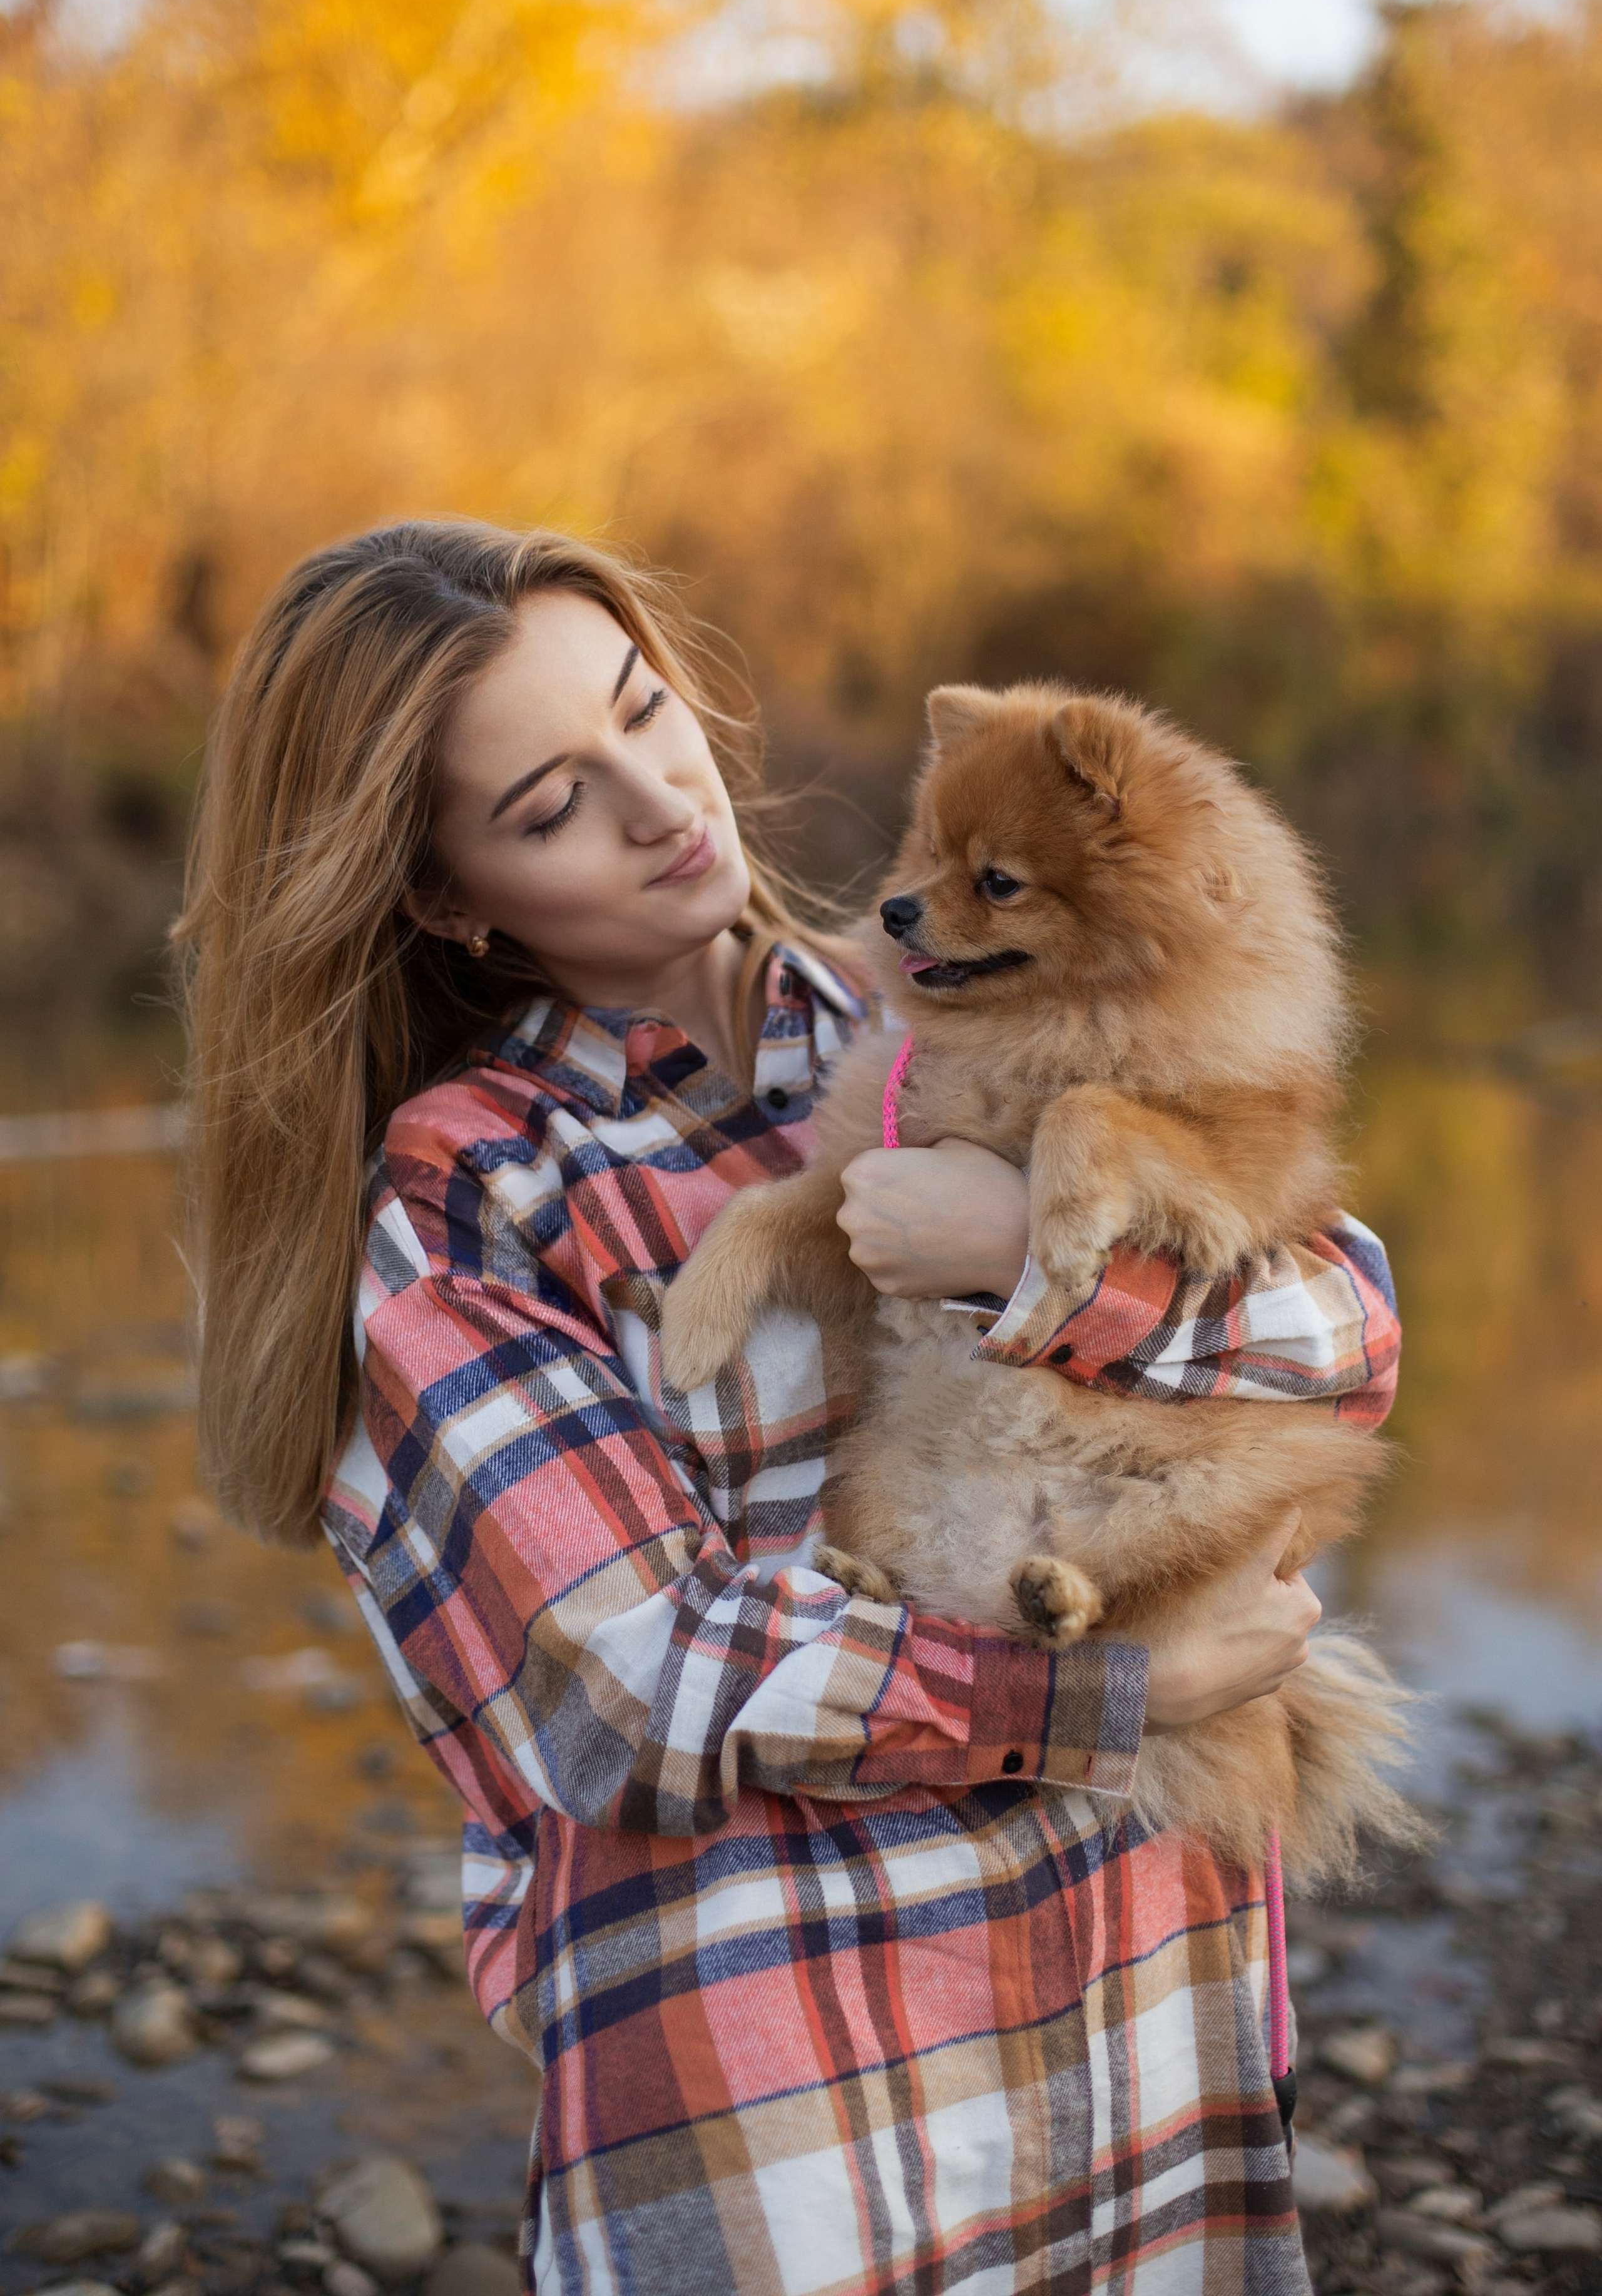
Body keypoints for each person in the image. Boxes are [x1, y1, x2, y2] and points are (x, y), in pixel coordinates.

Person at [178, 521, 1402, 2296]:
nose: (663, 803)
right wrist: (1109, 1687)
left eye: (644, 714)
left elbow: (1345, 1338)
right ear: (447, 894)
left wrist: (1026, 1258)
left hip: (1140, 2024)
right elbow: (631, 1692)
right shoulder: (471, 1208)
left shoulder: (923, 999)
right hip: (795, 2116)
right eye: (549, 806)